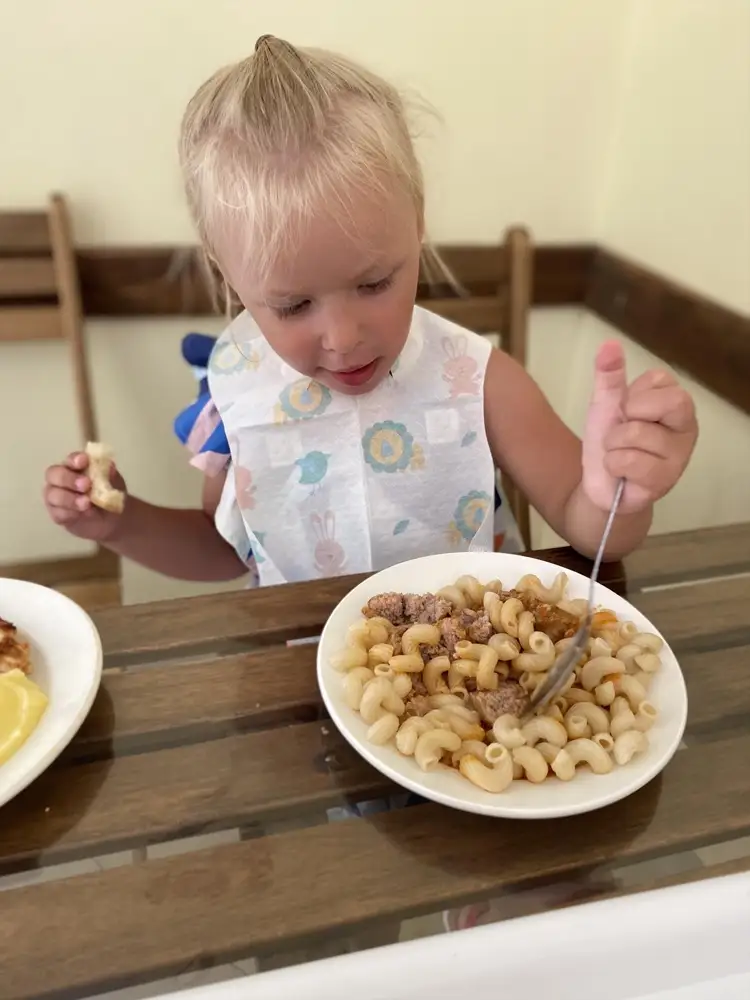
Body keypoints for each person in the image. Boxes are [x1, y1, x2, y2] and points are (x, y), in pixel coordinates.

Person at [43, 36, 697, 584]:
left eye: (375, 283)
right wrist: (120, 520)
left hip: (469, 683)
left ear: (418, 228)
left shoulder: (479, 380)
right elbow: (227, 552)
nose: (343, 337)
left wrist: (619, 492)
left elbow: (593, 529)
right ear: (230, 277)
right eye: (294, 303)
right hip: (302, 679)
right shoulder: (235, 397)